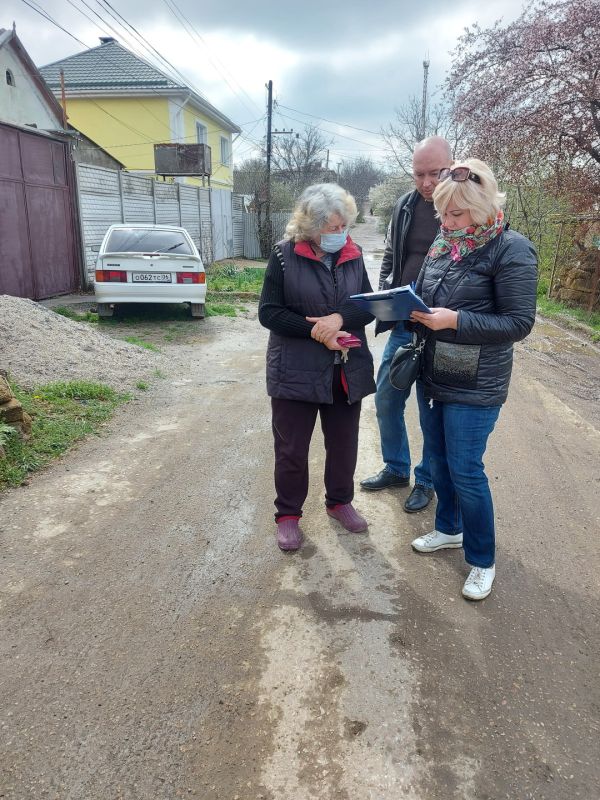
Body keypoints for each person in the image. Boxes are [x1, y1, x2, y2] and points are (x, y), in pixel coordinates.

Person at [409, 158, 537, 600]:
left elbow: (519, 323)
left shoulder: (512, 249)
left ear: (482, 207)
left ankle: (482, 560)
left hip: (476, 381)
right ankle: (449, 528)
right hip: (434, 370)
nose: (446, 223)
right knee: (438, 460)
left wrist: (455, 320)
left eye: (456, 214)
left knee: (465, 469)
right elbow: (427, 293)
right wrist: (407, 307)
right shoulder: (445, 242)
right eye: (441, 213)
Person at [258, 183, 376, 552]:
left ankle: (340, 502)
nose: (339, 233)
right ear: (310, 226)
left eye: (343, 226)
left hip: (345, 368)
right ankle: (288, 514)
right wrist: (315, 331)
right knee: (291, 448)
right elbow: (269, 313)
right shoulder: (283, 255)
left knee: (344, 444)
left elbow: (367, 306)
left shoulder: (353, 253)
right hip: (295, 369)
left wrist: (339, 319)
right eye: (331, 227)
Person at [361, 136, 452, 513]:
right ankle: (396, 468)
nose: (427, 183)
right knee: (386, 398)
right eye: (419, 174)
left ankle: (426, 480)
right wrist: (386, 290)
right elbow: (391, 255)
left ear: (451, 166)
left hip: (444, 331)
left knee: (431, 412)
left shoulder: (462, 206)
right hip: (404, 324)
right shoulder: (405, 205)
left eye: (435, 173)